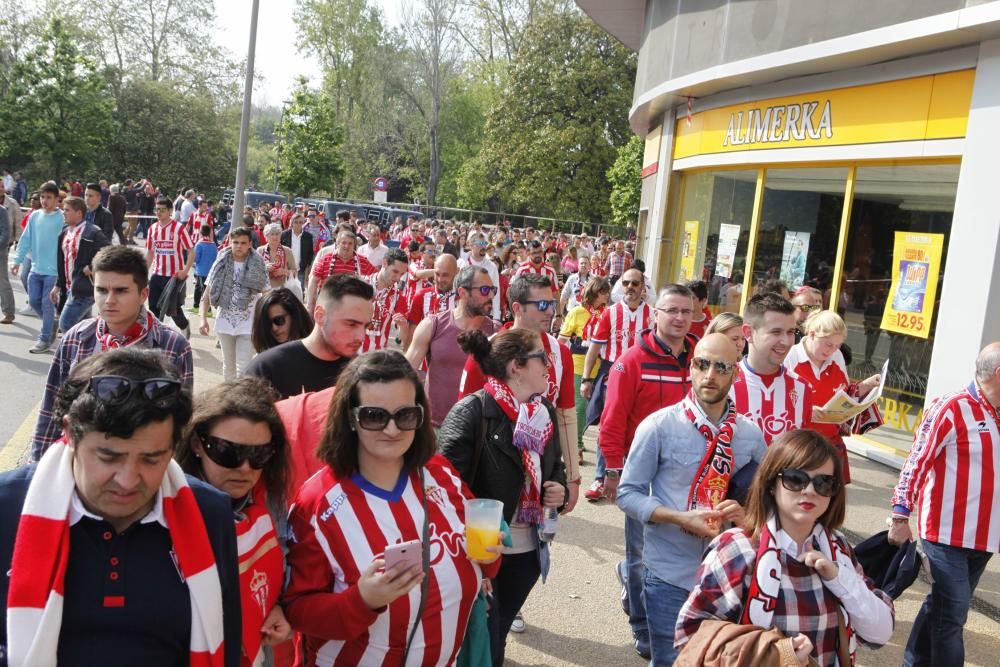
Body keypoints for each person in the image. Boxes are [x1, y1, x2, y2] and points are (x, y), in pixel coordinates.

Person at [0, 348, 241, 665]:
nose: (128, 480)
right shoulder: (7, 507)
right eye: (109, 457)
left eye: (151, 459)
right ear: (70, 434)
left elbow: (228, 640)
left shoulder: (209, 513)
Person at [284, 351, 501, 666]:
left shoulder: (442, 475)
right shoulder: (317, 504)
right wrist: (362, 601)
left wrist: (491, 559)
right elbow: (297, 611)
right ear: (350, 418)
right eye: (374, 415)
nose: (392, 429)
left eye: (405, 415)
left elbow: (481, 559)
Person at [676, 430, 894, 666]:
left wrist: (840, 578)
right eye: (795, 478)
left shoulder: (837, 548)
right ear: (771, 484)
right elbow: (690, 635)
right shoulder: (739, 548)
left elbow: (879, 633)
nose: (809, 490)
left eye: (824, 483)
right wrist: (776, 654)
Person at [616, 333, 766, 664]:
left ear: (735, 374)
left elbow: (766, 503)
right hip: (669, 572)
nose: (710, 375)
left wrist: (745, 517)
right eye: (702, 364)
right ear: (691, 367)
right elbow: (627, 494)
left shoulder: (751, 437)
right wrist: (679, 518)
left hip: (727, 577)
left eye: (721, 366)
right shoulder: (658, 426)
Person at [440, 329, 568, 666]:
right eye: (542, 356)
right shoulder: (472, 412)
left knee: (498, 629)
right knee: (487, 632)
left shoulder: (543, 412)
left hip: (529, 548)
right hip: (484, 552)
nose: (549, 363)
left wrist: (558, 486)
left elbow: (554, 466)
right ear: (517, 366)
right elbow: (443, 486)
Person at [599, 284, 701, 659]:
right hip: (643, 477)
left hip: (690, 475)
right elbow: (612, 421)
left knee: (682, 550)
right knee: (643, 554)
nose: (678, 318)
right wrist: (612, 470)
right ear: (655, 313)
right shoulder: (631, 361)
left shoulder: (700, 360)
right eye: (671, 310)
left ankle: (640, 584)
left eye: (685, 312)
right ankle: (642, 623)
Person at [888, 342, 1000, 667]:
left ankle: (914, 661)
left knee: (942, 606)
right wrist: (900, 513)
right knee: (954, 613)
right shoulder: (951, 407)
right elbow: (917, 460)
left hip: (985, 535)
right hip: (946, 533)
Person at [30, 245, 194, 460]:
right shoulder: (76, 338)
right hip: (80, 462)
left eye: (121, 291)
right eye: (102, 290)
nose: (109, 300)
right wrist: (37, 465)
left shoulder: (173, 346)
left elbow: (179, 422)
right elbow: (52, 405)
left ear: (143, 293)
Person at [175, 378, 293, 666]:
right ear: (196, 443)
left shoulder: (270, 500)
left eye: (259, 455)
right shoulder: (168, 505)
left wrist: (280, 607)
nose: (244, 468)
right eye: (228, 452)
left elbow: (285, 565)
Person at [459, 273, 581, 512]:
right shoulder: (486, 350)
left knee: (536, 547)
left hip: (540, 478)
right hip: (491, 480)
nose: (551, 312)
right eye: (543, 305)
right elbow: (463, 418)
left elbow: (565, 416)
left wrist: (572, 479)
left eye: (553, 304)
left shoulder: (561, 354)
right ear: (517, 308)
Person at [580, 267, 654, 500]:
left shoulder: (653, 315)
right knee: (609, 426)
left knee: (641, 428)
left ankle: (631, 480)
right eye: (626, 283)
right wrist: (586, 378)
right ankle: (600, 478)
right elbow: (594, 348)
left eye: (635, 283)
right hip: (611, 372)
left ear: (643, 288)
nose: (630, 288)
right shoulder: (610, 313)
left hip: (643, 376)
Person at [785, 310, 881, 484]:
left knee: (829, 497)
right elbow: (778, 397)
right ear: (812, 334)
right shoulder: (790, 356)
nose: (832, 350)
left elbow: (843, 393)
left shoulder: (836, 356)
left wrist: (864, 387)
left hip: (830, 440)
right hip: (799, 443)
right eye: (828, 344)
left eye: (837, 345)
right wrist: (805, 409)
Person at [246, 273, 373, 399]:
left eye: (366, 326)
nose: (361, 337)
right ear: (320, 315)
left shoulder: (361, 374)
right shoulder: (266, 369)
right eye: (351, 324)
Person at [405, 266, 498, 427]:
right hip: (433, 427)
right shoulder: (432, 325)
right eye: (484, 290)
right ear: (462, 293)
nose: (490, 295)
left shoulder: (496, 332)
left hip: (476, 430)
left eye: (492, 289)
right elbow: (405, 373)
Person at [731, 292, 815, 445]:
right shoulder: (722, 383)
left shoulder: (802, 388)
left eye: (790, 332)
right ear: (748, 333)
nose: (785, 341)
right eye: (776, 332)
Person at [200, 227, 270, 382]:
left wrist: (267, 321)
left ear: (250, 244)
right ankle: (229, 400)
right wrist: (203, 318)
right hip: (224, 321)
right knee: (228, 366)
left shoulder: (258, 263)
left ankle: (241, 401)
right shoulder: (221, 261)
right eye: (235, 242)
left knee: (244, 367)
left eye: (243, 243)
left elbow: (266, 294)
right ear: (230, 243)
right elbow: (207, 292)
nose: (239, 246)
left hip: (248, 322)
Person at [558, 276, 611, 464]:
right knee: (579, 407)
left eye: (607, 292)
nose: (606, 295)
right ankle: (577, 445)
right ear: (593, 292)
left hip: (602, 366)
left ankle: (579, 438)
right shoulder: (577, 313)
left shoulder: (608, 313)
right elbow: (562, 340)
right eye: (602, 292)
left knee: (591, 408)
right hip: (578, 364)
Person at [11, 180, 64, 352]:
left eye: (49, 197)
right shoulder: (34, 216)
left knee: (46, 303)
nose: (44, 200)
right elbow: (26, 239)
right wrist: (17, 260)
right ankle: (52, 324)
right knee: (34, 301)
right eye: (42, 197)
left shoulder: (62, 218)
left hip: (53, 271)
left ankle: (44, 338)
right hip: (35, 267)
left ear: (57, 199)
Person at [54, 195, 110, 332]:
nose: (64, 213)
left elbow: (109, 251)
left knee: (66, 325)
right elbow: (64, 262)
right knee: (84, 328)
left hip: (83, 289)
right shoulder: (65, 232)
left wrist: (92, 266)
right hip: (69, 287)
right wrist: (57, 285)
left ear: (79, 213)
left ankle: (77, 351)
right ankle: (92, 350)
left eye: (67, 210)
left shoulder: (92, 232)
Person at [146, 196, 194, 336]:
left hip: (174, 276)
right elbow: (150, 253)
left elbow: (191, 251)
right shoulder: (152, 229)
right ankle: (156, 337)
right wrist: (144, 272)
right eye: (157, 209)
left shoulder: (179, 228)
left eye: (162, 210)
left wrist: (185, 270)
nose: (158, 212)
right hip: (157, 274)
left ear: (170, 211)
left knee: (173, 309)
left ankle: (184, 326)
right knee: (153, 307)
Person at [306, 229, 377, 311]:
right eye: (344, 243)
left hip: (353, 309)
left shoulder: (363, 262)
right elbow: (313, 280)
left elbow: (376, 279)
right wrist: (310, 304)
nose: (347, 246)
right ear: (337, 243)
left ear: (354, 245)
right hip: (327, 306)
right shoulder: (325, 259)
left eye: (350, 243)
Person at [362, 248, 410, 352]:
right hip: (351, 354)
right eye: (395, 271)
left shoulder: (398, 297)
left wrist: (403, 326)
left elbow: (403, 337)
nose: (397, 278)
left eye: (401, 274)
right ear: (384, 263)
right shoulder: (360, 284)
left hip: (377, 358)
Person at [250, 287, 313, 354]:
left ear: (294, 315)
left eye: (278, 320)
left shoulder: (315, 351)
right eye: (267, 324)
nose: (274, 328)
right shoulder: (265, 359)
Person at [459, 231, 501, 321]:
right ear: (471, 245)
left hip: (485, 314)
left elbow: (495, 292)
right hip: (465, 313)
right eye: (480, 243)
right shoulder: (462, 264)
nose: (483, 246)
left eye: (485, 243)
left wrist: (496, 316)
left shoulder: (492, 266)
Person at [258, 222, 298, 293]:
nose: (275, 237)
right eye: (272, 234)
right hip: (263, 291)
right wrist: (264, 268)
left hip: (282, 290)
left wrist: (285, 271)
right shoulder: (260, 250)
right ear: (266, 237)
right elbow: (254, 269)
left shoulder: (287, 251)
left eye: (277, 234)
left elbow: (294, 271)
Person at [281, 213, 314, 286]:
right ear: (291, 223)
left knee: (299, 293)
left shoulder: (308, 237)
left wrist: (307, 269)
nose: (298, 225)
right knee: (284, 293)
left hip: (300, 270)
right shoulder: (284, 235)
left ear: (303, 223)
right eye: (296, 222)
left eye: (300, 222)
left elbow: (310, 254)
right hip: (285, 270)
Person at [192, 224, 219, 313]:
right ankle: (196, 306)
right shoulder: (213, 244)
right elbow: (216, 257)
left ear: (200, 232)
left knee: (202, 291)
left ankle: (208, 310)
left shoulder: (199, 244)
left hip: (201, 271)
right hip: (210, 271)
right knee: (202, 289)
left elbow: (196, 258)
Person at [0, 202, 12, 324]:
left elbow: (5, 233)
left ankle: (9, 312)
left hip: (0, 252)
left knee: (2, 282)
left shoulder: (1, 211)